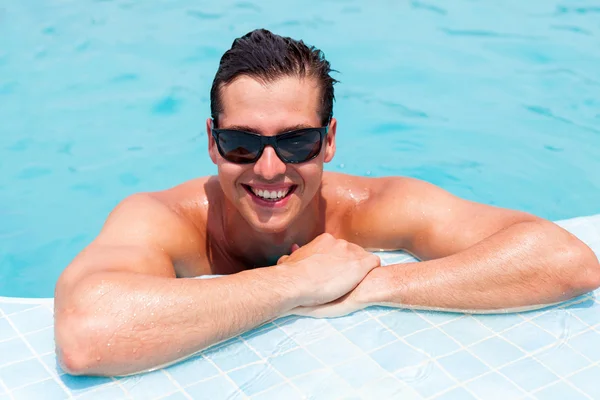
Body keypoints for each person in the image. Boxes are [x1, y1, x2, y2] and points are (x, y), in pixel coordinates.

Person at [54, 29, 600, 377]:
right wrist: (295, 284)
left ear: (330, 140)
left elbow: (566, 260)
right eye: (242, 143)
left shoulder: (377, 206)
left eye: (296, 143)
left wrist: (374, 285)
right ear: (211, 141)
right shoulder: (161, 219)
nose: (269, 169)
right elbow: (86, 335)